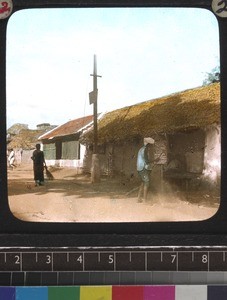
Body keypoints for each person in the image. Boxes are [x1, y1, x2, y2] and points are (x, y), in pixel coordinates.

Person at [137, 137, 155, 203]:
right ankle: (145, 200)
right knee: (147, 183)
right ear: (148, 144)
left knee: (143, 183)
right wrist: (155, 160)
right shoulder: (145, 150)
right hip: (143, 168)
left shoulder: (141, 149)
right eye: (151, 145)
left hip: (140, 168)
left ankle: (139, 198)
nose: (152, 146)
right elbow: (147, 161)